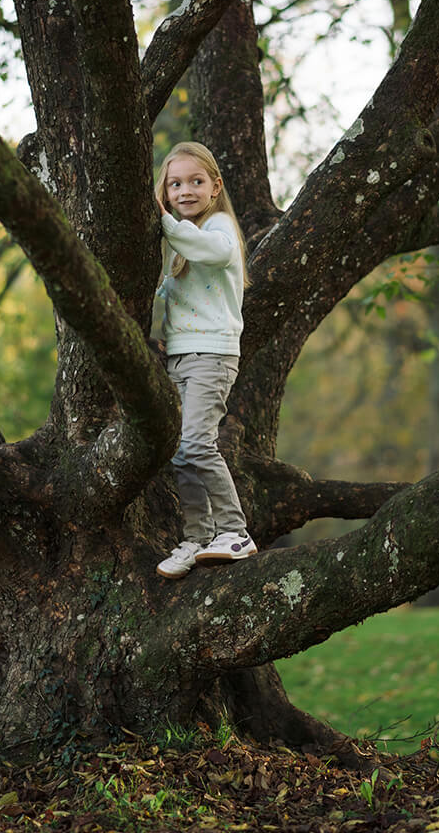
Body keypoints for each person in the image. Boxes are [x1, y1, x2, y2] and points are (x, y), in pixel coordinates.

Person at [154, 141, 257, 579]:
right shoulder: (182, 239)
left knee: (197, 443)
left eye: (196, 182)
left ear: (215, 187)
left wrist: (162, 220)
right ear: (165, 190)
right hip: (181, 355)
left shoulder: (218, 229)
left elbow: (213, 253)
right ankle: (197, 537)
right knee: (180, 452)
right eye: (175, 184)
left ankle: (235, 531)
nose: (185, 191)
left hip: (211, 355)